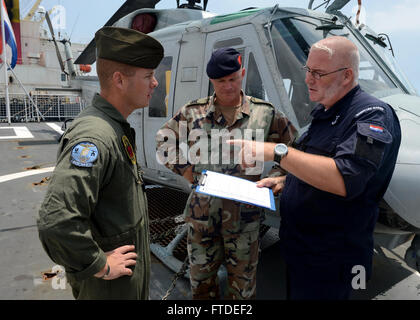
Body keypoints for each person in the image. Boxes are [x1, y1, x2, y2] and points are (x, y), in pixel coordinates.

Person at [229, 36, 401, 300]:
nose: (308, 80)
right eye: (307, 70)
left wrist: (276, 151)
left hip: (336, 262)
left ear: (347, 76)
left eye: (318, 73)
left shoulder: (371, 114)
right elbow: (315, 166)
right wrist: (286, 182)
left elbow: (346, 178)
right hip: (303, 254)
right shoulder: (325, 114)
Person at [156, 47, 297, 299]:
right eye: (221, 81)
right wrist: (187, 171)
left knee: (242, 292)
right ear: (212, 80)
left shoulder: (264, 113)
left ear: (242, 74)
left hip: (245, 219)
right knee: (201, 287)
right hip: (202, 219)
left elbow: (292, 147)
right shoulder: (193, 112)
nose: (228, 86)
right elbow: (163, 141)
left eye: (233, 79)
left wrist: (277, 176)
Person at [37, 26, 164, 300]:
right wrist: (101, 266)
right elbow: (56, 221)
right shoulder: (96, 136)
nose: (155, 84)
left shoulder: (113, 128)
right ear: (119, 80)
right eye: (148, 76)